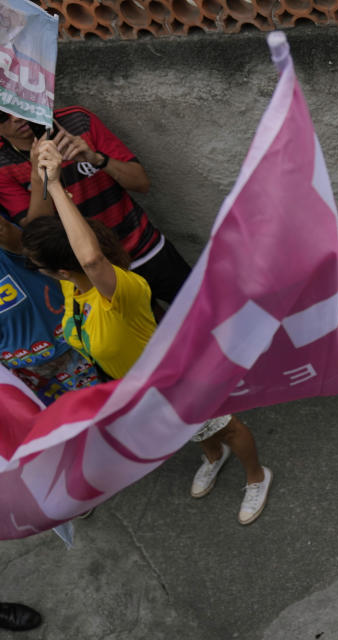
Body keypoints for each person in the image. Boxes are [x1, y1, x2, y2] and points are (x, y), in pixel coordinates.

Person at [20, 140, 272, 525]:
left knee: (228, 426)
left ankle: (256, 476)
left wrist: (56, 186)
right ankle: (212, 456)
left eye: (41, 267)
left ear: (61, 270)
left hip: (177, 377)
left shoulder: (119, 292)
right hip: (140, 389)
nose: (38, 271)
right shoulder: (72, 288)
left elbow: (90, 257)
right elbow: (44, 232)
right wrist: (41, 172)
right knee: (186, 430)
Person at [0, 107, 192, 306]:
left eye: (15, 106)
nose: (16, 117)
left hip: (147, 249)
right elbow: (37, 231)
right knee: (151, 335)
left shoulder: (76, 121)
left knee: (209, 313)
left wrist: (97, 159)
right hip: (100, 273)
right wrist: (39, 175)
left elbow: (141, 183)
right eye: (2, 116)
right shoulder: (3, 163)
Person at [0, 216, 100, 404]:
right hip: (27, 371)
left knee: (118, 403)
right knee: (74, 423)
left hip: (76, 342)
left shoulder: (6, 244)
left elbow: (4, 230)